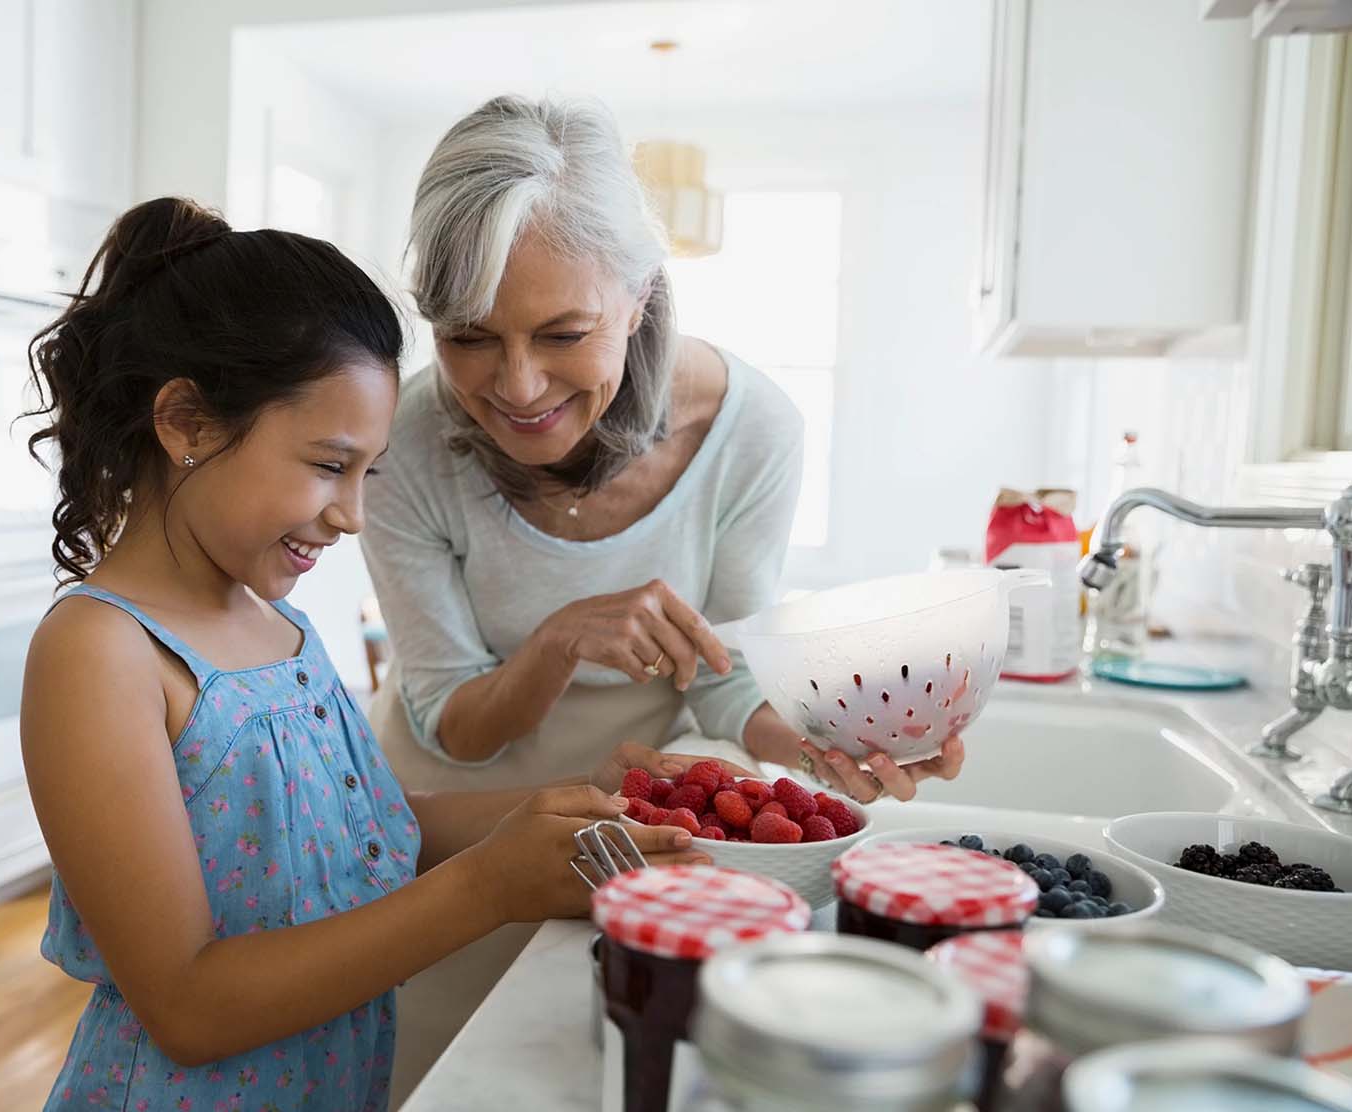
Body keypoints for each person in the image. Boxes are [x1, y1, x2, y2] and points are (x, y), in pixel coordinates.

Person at [18, 197, 715, 1112]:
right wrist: (487, 889)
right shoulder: (99, 653)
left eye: (367, 473)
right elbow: (188, 1005)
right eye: (325, 464)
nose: (351, 514)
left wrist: (597, 799)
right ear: (186, 421)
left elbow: (376, 828)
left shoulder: (282, 629)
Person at [361, 94, 966, 1102]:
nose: (515, 383)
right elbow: (452, 723)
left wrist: (823, 745)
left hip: (633, 833)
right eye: (468, 336)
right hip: (444, 825)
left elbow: (723, 682)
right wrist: (562, 637)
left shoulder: (753, 429)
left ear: (641, 297)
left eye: (562, 332)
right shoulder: (404, 440)